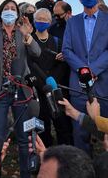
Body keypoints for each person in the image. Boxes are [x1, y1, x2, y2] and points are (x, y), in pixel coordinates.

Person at [0, 0, 41, 178]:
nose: (10, 11)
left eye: (13, 9)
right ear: (0, 12)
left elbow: (37, 53)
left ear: (18, 14)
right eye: (6, 9)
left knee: (23, 136)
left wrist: (28, 36)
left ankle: (26, 173)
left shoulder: (23, 31)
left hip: (21, 89)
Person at [62, 0, 108, 154]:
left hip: (105, 86)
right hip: (79, 87)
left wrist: (92, 70)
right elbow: (66, 50)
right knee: (81, 134)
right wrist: (83, 70)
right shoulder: (72, 22)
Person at [27, 8, 73, 146]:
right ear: (34, 21)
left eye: (44, 19)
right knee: (42, 126)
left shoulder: (57, 41)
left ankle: (65, 153)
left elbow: (63, 65)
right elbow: (28, 64)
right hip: (37, 90)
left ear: (49, 21)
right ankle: (45, 155)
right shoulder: (29, 41)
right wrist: (42, 85)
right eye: (38, 19)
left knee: (62, 124)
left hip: (55, 88)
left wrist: (53, 81)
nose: (41, 21)